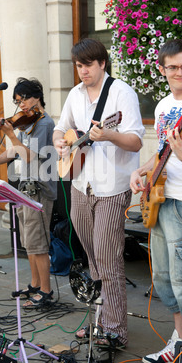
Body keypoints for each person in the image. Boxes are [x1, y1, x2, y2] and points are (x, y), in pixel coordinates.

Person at [53, 38, 145, 347]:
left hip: (112, 187)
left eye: (88, 65)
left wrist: (107, 134)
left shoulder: (122, 93)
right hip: (81, 184)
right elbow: (59, 129)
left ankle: (116, 330)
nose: (82, 72)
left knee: (108, 258)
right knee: (92, 257)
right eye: (78, 66)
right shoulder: (75, 95)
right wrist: (61, 143)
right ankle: (100, 321)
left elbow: (135, 141)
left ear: (102, 63)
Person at [130, 39, 182, 363]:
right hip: (160, 197)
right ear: (162, 70)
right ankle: (180, 339)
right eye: (173, 67)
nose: (180, 72)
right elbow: (162, 151)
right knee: (163, 277)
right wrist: (142, 171)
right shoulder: (164, 106)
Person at [0, 77, 57, 307]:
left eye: (24, 99)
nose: (21, 105)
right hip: (25, 188)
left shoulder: (43, 123)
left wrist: (11, 133)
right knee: (28, 242)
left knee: (38, 244)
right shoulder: (26, 123)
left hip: (40, 189)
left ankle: (45, 291)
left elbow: (30, 156)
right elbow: (15, 152)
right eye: (17, 101)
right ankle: (34, 284)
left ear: (37, 96)